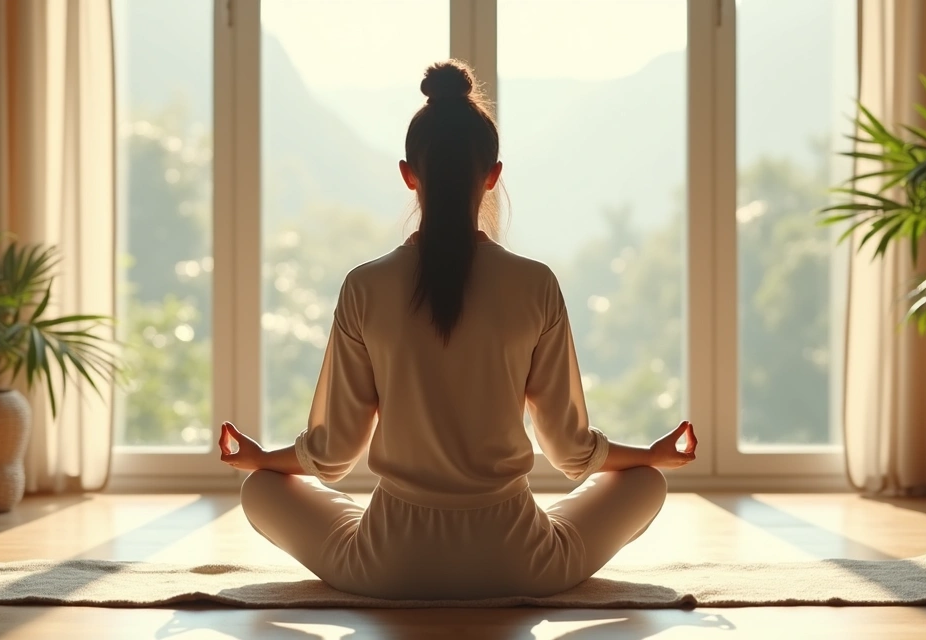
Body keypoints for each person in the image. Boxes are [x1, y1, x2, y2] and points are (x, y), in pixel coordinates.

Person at [217, 59, 698, 601]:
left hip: (387, 566)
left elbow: (331, 455)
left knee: (261, 489)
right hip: (521, 562)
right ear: (492, 174)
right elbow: (569, 451)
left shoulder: (364, 287)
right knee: (646, 483)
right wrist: (650, 456)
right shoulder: (535, 284)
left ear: (408, 173)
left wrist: (260, 460)